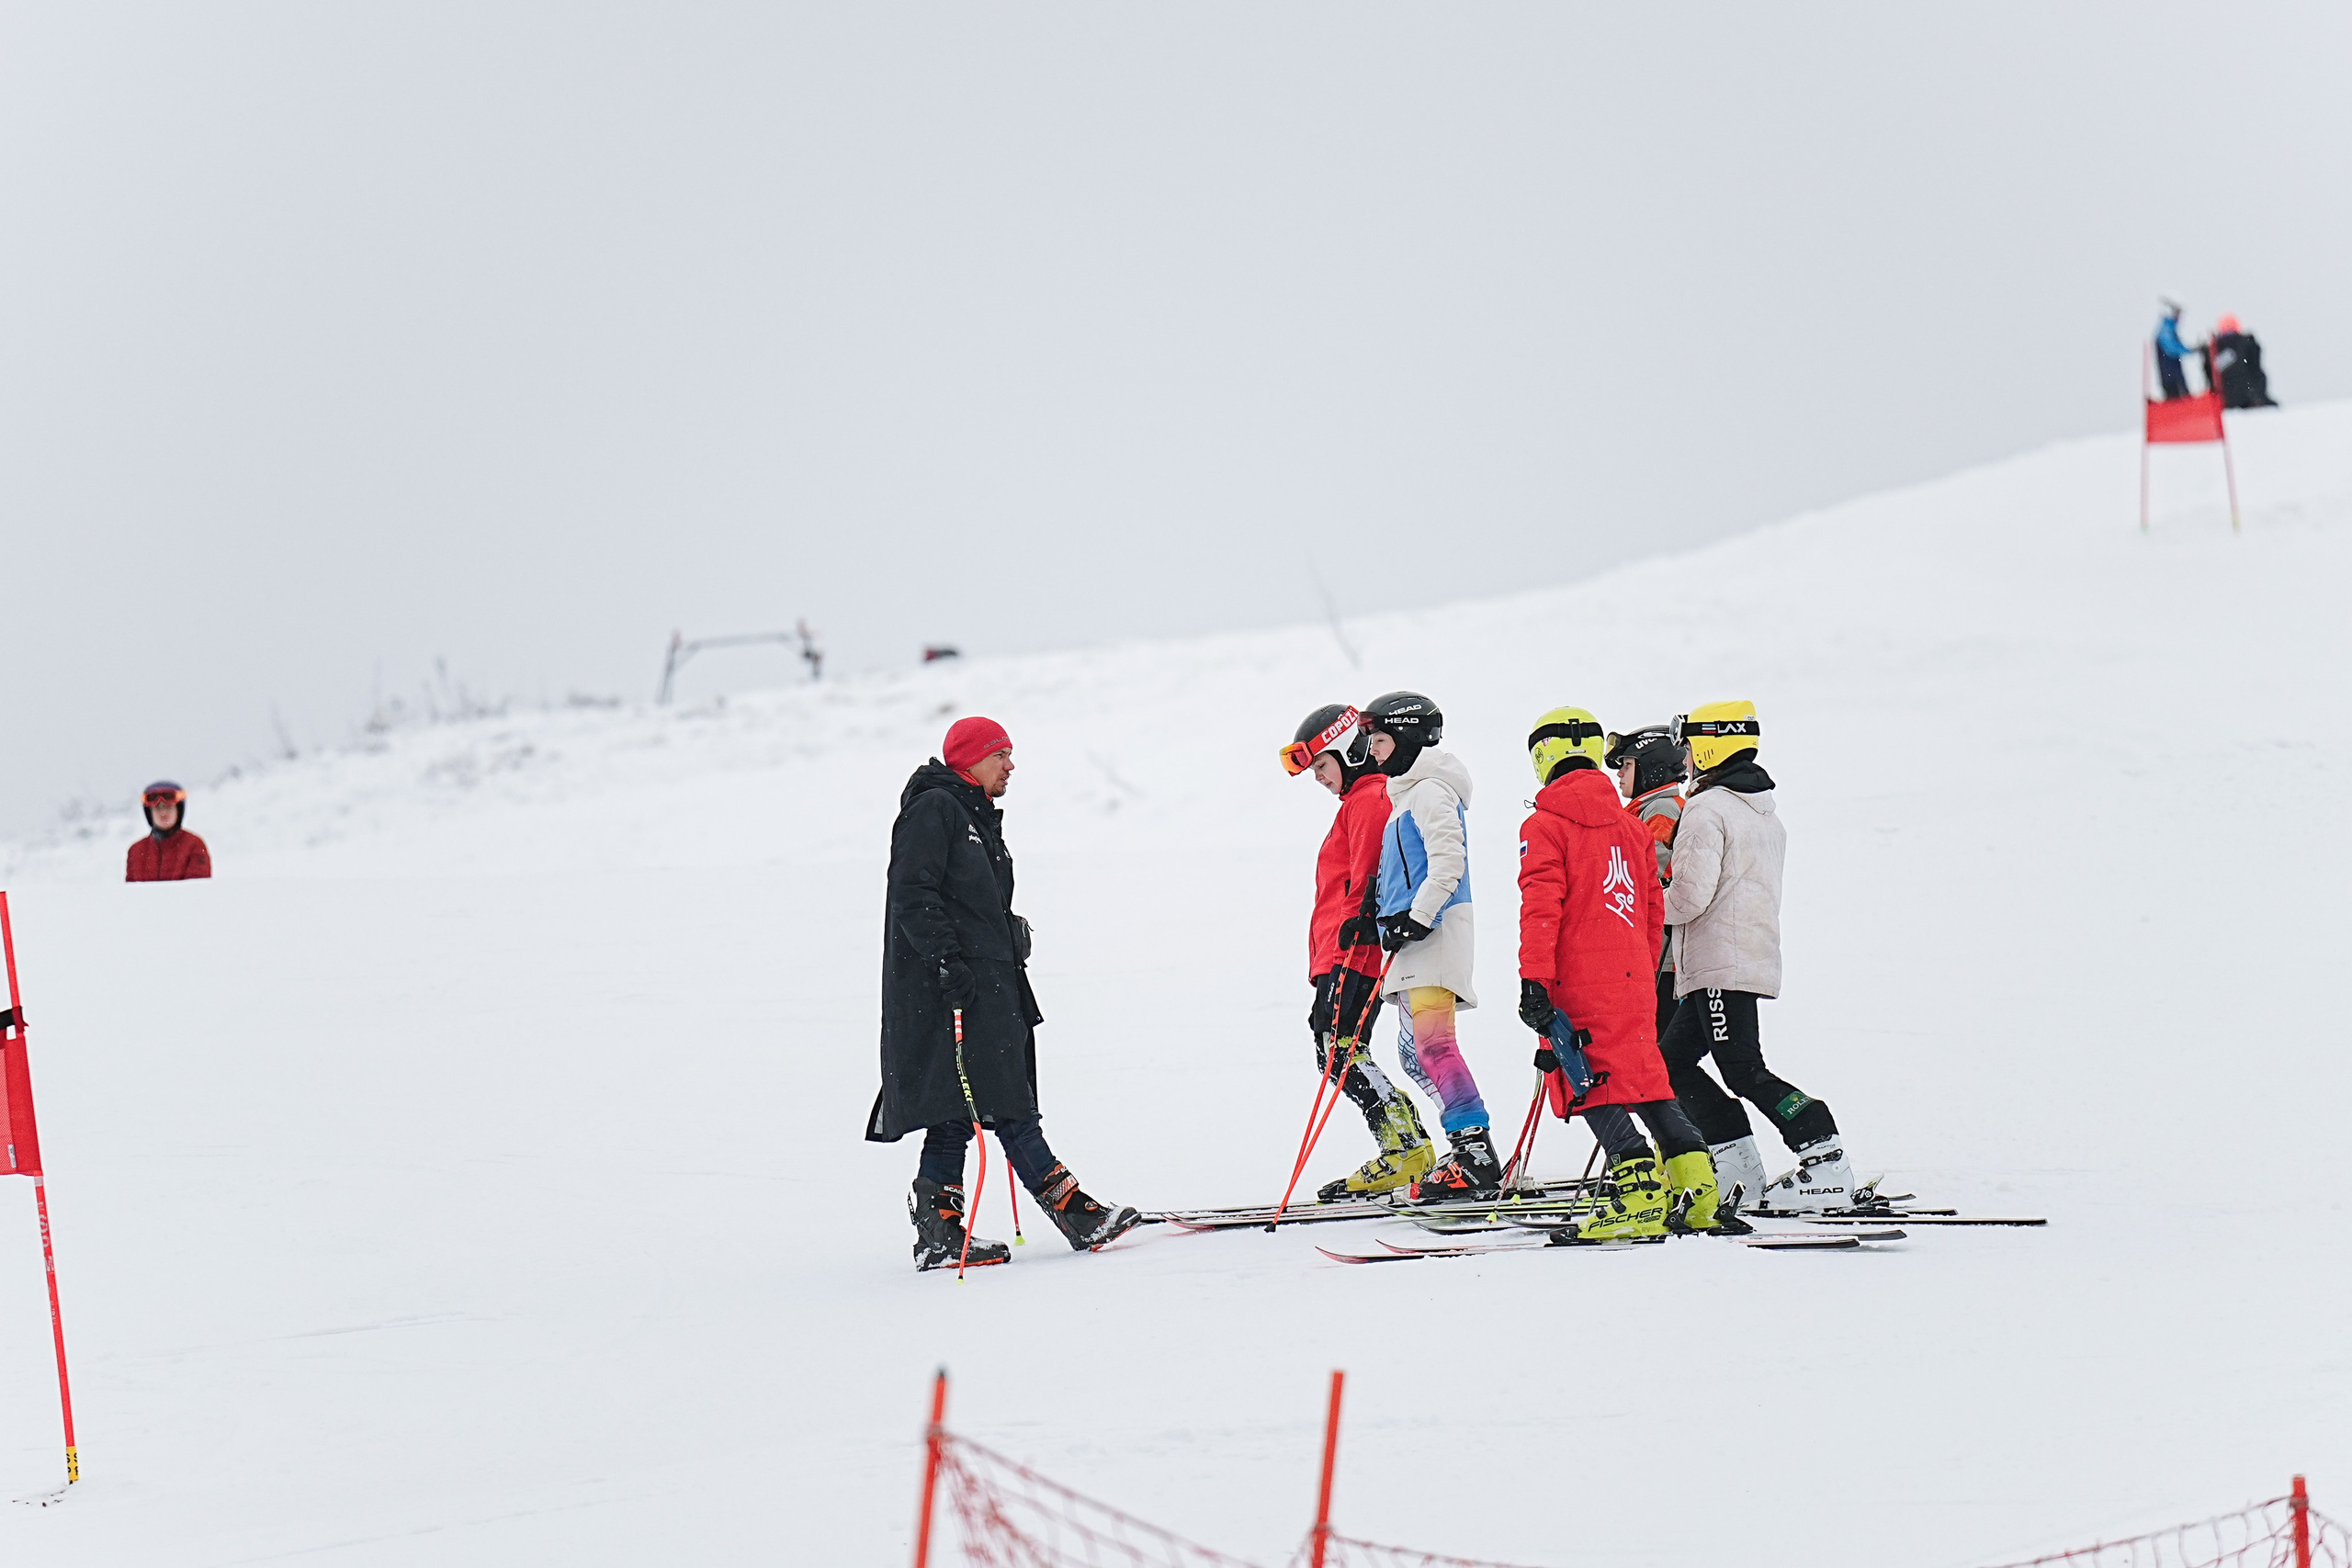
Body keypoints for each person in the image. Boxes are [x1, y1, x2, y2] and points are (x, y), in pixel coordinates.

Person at [866, 716, 1139, 1270]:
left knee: (956, 1108)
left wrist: (1004, 932)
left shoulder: (973, 814)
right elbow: (913, 893)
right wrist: (947, 960)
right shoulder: (936, 808)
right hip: (952, 987)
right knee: (1007, 1099)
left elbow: (966, 899)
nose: (1011, 766)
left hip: (986, 980)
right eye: (1000, 755)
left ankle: (939, 1230)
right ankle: (1074, 1211)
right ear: (969, 759)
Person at [1516, 708, 1725, 1241]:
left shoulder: (1544, 826)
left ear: (1543, 756)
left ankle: (1637, 1194)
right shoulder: (1632, 828)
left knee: (1583, 1075)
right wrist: (1645, 970)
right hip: (1633, 975)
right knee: (1646, 1078)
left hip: (1575, 978)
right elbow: (1654, 910)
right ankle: (1699, 1191)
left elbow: (1541, 908)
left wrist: (1533, 980)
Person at [1655, 701, 1856, 1212]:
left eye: (1689, 747)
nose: (1685, 759)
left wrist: (1641, 905)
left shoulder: (1707, 809)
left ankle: (1822, 1152)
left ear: (1708, 748)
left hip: (1718, 962)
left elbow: (1688, 898)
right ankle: (1736, 1159)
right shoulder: (1762, 811)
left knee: (1742, 1069)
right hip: (1740, 956)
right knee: (1670, 1061)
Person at [1281, 705, 1436, 1201]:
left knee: (1337, 1046)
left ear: (1349, 750)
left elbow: (1367, 876)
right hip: (1341, 951)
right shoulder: (1359, 802)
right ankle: (1404, 1142)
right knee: (1338, 1046)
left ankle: (1404, 1146)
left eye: (1322, 765)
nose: (1319, 778)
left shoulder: (1369, 799)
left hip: (1352, 951)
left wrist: (1354, 930)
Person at [1358, 691, 1501, 1201]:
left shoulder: (1432, 791)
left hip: (1435, 932)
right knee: (1414, 1055)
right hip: (1414, 937)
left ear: (1407, 737)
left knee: (1435, 1046)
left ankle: (1475, 1155)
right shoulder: (1406, 798)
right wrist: (1377, 914)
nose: (1373, 751)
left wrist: (1416, 919)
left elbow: (1448, 862)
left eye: (1380, 740)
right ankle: (1463, 1145)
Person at [1605, 725, 1687, 1041]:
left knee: (1661, 1050)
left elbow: (1653, 878)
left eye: (1627, 765)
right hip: (1661, 955)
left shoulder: (1661, 810)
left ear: (1652, 770)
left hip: (1665, 959)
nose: (1619, 774)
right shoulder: (1646, 809)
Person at [126, 781, 212, 882]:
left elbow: (198, 887)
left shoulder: (194, 845)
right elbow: (130, 890)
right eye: (157, 808)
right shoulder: (136, 851)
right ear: (149, 813)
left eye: (168, 807)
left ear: (178, 810)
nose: (163, 813)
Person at [2210, 313, 2278, 410]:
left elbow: (2211, 377)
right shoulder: (2247, 343)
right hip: (2250, 398)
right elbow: (2256, 370)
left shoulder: (2214, 350)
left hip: (2226, 401)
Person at [2154, 300, 2199, 401]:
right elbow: (2171, 348)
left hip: (2174, 375)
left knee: (2182, 396)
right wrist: (2189, 350)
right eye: (2178, 312)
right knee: (2176, 399)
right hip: (2171, 377)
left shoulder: (2170, 328)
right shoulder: (2165, 328)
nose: (2180, 316)